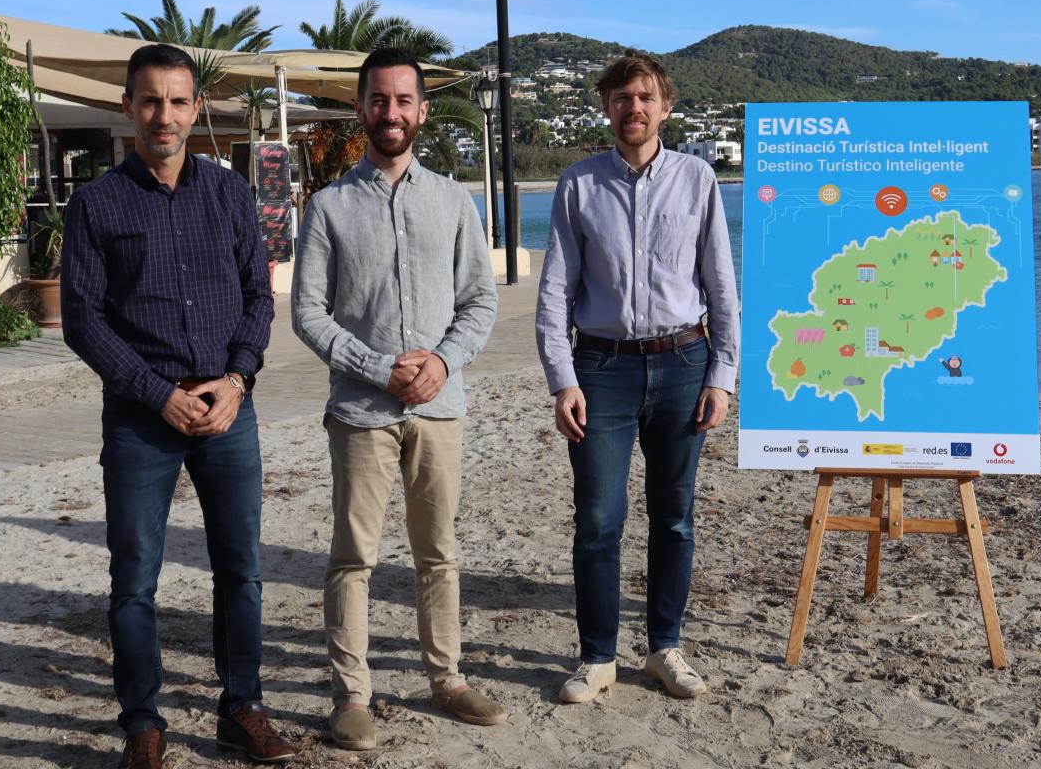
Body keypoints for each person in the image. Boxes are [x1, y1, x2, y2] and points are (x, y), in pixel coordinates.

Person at [61, 43, 292, 767]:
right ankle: (143, 722)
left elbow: (259, 294)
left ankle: (242, 707)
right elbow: (83, 320)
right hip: (141, 418)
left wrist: (239, 380)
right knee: (134, 577)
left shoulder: (227, 194)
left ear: (197, 110)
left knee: (241, 568)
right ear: (128, 107)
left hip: (228, 410)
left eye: (178, 101)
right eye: (151, 100)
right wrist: (156, 394)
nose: (165, 115)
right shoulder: (97, 204)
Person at [292, 47, 503, 751]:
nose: (391, 113)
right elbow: (309, 313)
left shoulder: (452, 200)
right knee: (354, 556)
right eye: (378, 100)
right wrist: (379, 369)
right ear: (361, 109)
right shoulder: (327, 207)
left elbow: (478, 301)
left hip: (441, 409)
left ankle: (447, 677)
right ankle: (352, 694)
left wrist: (442, 363)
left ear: (420, 109)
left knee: (437, 552)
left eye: (403, 101)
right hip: (361, 412)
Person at [535, 49, 739, 704]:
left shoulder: (697, 179)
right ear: (607, 107)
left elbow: (720, 283)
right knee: (598, 519)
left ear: (665, 107)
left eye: (646, 97)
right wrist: (562, 379)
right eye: (623, 98)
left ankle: (663, 649)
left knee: (674, 518)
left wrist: (723, 375)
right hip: (601, 370)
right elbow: (555, 291)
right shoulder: (578, 184)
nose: (635, 108)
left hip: (683, 366)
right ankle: (596, 658)